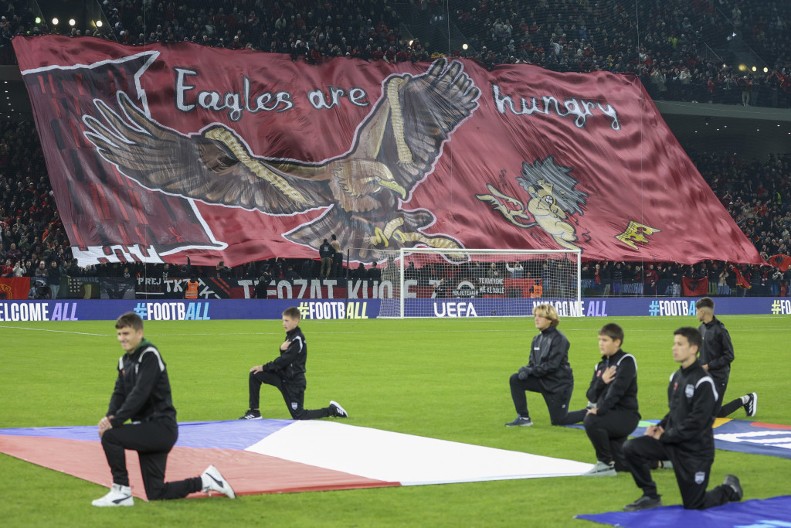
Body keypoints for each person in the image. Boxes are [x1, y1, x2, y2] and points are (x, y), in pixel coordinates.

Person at [93, 312, 235, 507]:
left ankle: (121, 491)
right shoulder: (124, 361)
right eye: (119, 334)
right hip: (149, 430)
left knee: (110, 436)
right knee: (156, 492)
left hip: (161, 427)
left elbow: (140, 393)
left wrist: (114, 422)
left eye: (126, 333)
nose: (121, 339)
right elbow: (119, 393)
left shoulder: (149, 355)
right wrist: (110, 415)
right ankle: (207, 480)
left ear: (139, 332)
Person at [621, 327, 743, 512]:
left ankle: (730, 489)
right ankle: (650, 496)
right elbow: (674, 412)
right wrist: (658, 427)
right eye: (674, 343)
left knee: (695, 504)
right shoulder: (676, 376)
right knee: (631, 448)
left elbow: (698, 423)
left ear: (693, 349)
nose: (674, 348)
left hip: (695, 450)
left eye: (679, 344)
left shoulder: (704, 382)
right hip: (672, 442)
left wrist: (665, 436)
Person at [239, 306, 349, 420]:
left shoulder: (297, 339)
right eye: (283, 320)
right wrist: (281, 350)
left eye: (286, 320)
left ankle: (332, 410)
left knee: (299, 415)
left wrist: (263, 367)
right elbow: (287, 361)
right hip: (283, 377)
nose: (283, 324)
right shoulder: (290, 336)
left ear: (296, 321)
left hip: (294, 383)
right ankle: (254, 412)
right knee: (255, 374)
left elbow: (283, 361)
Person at [581, 323, 640, 476]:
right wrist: (602, 381)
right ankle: (662, 460)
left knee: (591, 420)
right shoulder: (600, 366)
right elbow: (591, 395)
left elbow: (617, 392)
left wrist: (600, 410)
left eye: (605, 340)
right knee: (622, 464)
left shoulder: (626, 361)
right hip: (610, 416)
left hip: (625, 416)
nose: (601, 343)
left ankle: (604, 464)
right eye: (599, 339)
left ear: (617, 342)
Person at [506, 304, 578, 427]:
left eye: (540, 316)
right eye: (535, 316)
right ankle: (524, 418)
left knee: (559, 421)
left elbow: (552, 366)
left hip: (559, 385)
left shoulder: (560, 339)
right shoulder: (536, 339)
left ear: (550, 320)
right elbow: (532, 363)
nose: (536, 319)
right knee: (515, 379)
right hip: (543, 380)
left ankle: (592, 413)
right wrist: (526, 370)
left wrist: (530, 371)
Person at [696, 297, 757, 418]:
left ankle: (747, 399)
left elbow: (729, 355)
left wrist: (708, 366)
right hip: (705, 377)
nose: (696, 314)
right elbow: (702, 353)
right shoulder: (701, 329)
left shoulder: (720, 330)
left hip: (719, 376)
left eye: (696, 310)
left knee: (715, 414)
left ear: (703, 311)